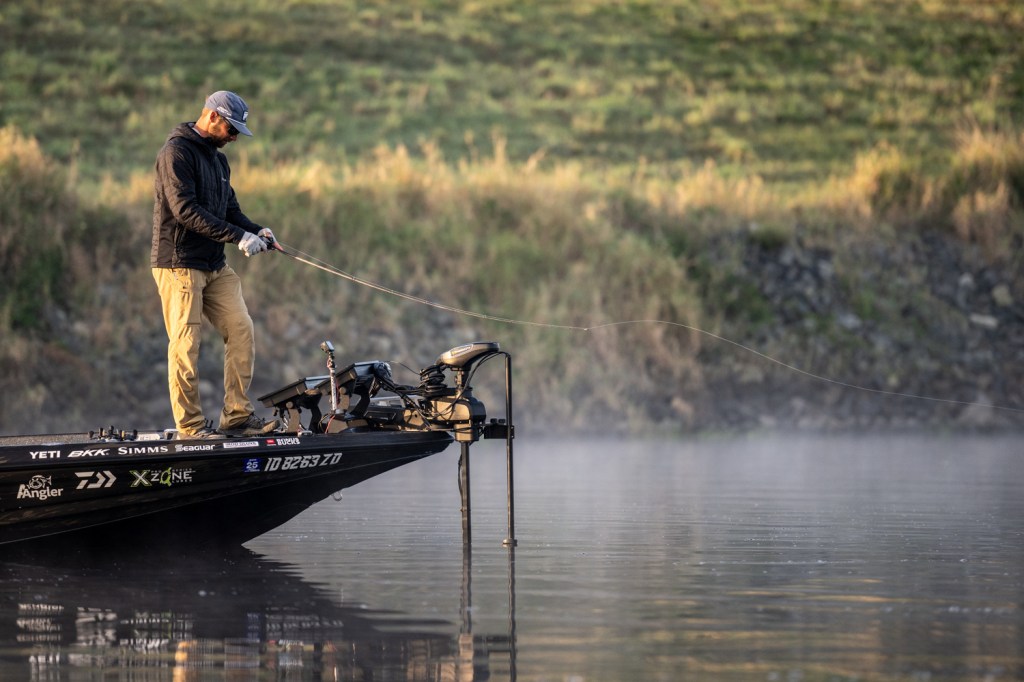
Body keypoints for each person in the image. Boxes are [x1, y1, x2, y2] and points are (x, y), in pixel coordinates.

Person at [151, 90, 279, 439]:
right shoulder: (176, 153)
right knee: (186, 345)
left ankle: (236, 416)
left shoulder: (219, 162)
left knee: (241, 330)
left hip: (214, 265)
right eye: (231, 129)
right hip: (179, 265)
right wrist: (239, 237)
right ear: (212, 117)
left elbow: (230, 210)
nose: (234, 137)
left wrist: (257, 230)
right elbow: (185, 211)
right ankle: (190, 428)